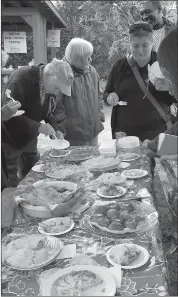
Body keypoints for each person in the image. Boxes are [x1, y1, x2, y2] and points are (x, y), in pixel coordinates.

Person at [1, 58, 74, 187]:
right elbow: (10, 115)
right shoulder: (20, 78)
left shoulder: (49, 86)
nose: (58, 92)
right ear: (49, 76)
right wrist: (38, 127)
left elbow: (48, 111)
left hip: (29, 138)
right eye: (58, 88)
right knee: (10, 183)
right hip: (10, 139)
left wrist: (55, 129)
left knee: (35, 176)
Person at [103, 22, 175, 142]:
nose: (140, 51)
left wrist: (169, 87)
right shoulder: (119, 67)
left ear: (152, 44)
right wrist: (110, 98)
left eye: (145, 45)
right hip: (125, 135)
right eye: (136, 46)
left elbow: (175, 98)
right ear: (129, 45)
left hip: (158, 132)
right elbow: (106, 94)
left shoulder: (164, 63)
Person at [53, 38, 104, 146]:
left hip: (93, 130)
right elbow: (55, 106)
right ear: (76, 58)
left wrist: (99, 114)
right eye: (87, 57)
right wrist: (64, 126)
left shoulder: (92, 71)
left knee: (94, 160)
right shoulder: (61, 73)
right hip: (73, 135)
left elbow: (99, 95)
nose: (90, 60)